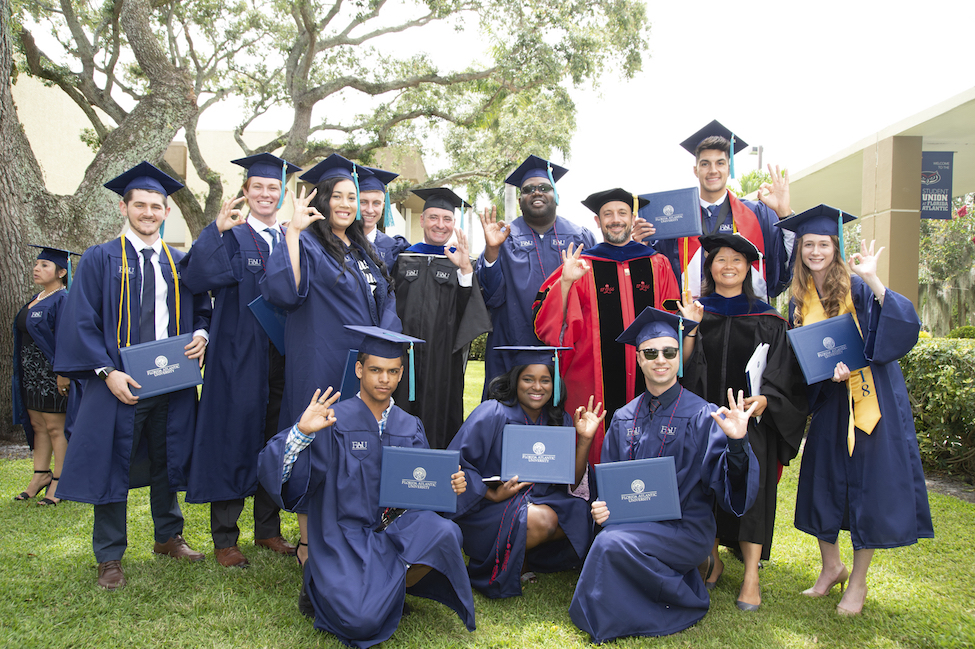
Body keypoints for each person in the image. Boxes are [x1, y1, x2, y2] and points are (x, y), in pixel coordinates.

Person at [257, 326, 476, 648]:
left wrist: (450, 484)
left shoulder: (409, 425)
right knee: (360, 623)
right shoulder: (332, 420)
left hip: (394, 528)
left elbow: (421, 487)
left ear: (401, 374)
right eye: (375, 369)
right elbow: (275, 468)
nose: (383, 379)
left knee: (445, 533)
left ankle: (388, 588)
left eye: (391, 371)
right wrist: (301, 433)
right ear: (359, 370)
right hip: (342, 535)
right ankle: (324, 587)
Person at [53, 162, 211, 589]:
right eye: (139, 205)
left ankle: (168, 536)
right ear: (124, 207)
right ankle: (109, 555)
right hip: (117, 384)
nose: (148, 212)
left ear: (166, 212)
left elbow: (202, 310)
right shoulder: (99, 259)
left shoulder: (180, 262)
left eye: (156, 206)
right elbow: (81, 321)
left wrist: (201, 334)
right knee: (111, 462)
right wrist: (107, 372)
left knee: (168, 456)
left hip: (171, 382)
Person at [777, 204, 933, 616]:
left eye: (823, 244)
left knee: (868, 486)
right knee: (823, 481)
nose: (815, 251)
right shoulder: (797, 299)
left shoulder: (858, 287)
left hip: (870, 398)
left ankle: (858, 583)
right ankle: (832, 567)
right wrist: (822, 373)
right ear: (800, 251)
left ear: (836, 247)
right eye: (808, 244)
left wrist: (874, 279)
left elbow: (900, 326)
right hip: (831, 400)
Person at [569, 307, 759, 642]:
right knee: (608, 539)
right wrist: (602, 505)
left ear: (679, 358)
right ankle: (677, 587)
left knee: (610, 544)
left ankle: (681, 599)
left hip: (685, 527)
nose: (661, 359)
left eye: (669, 352)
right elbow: (609, 487)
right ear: (639, 359)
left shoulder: (704, 415)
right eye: (651, 353)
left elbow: (732, 488)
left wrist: (737, 444)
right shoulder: (624, 417)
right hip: (632, 524)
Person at [261, 153, 402, 564]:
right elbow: (285, 293)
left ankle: (351, 529)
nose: (345, 204)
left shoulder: (361, 247)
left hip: (363, 363)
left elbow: (386, 297)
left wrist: (384, 338)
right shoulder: (305, 241)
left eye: (351, 197)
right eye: (337, 196)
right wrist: (290, 234)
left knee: (360, 445)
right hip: (322, 362)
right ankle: (308, 542)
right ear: (322, 200)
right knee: (317, 445)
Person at [180, 153, 301, 567]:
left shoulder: (290, 236)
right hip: (237, 353)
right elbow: (194, 280)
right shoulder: (229, 234)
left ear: (281, 194)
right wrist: (214, 230)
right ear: (246, 192)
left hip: (283, 354)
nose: (266, 194)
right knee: (232, 436)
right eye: (258, 187)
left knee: (276, 437)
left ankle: (268, 529)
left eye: (273, 188)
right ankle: (226, 537)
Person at [679, 232, 808, 609]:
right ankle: (713, 557)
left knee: (753, 491)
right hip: (707, 418)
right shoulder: (697, 311)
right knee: (704, 487)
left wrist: (768, 400)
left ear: (749, 268)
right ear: (710, 267)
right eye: (721, 259)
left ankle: (751, 574)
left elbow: (786, 375)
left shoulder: (769, 319)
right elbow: (680, 367)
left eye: (738, 260)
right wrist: (689, 327)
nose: (729, 266)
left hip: (753, 423)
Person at [533, 188, 680, 464]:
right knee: (594, 449)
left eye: (622, 213)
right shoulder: (582, 265)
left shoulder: (656, 264)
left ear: (632, 218)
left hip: (648, 377)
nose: (615, 219)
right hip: (592, 381)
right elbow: (548, 328)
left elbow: (671, 325)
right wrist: (565, 283)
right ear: (598, 222)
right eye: (607, 214)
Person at [446, 346, 603, 598]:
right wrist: (492, 494)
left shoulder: (557, 419)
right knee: (544, 520)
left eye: (545, 380)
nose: (537, 387)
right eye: (528, 379)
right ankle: (505, 557)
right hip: (488, 507)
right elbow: (457, 464)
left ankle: (527, 553)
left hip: (539, 499)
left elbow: (571, 481)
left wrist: (584, 440)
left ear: (555, 384)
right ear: (515, 380)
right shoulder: (493, 413)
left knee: (583, 514)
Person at [476, 155, 596, 396]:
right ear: (520, 200)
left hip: (565, 349)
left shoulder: (580, 237)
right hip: (511, 347)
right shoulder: (504, 237)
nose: (536, 193)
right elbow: (490, 295)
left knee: (563, 418)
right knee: (508, 421)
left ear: (556, 195)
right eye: (528, 189)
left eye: (544, 188)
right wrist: (492, 251)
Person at [391, 187, 492, 448]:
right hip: (403, 355)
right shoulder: (402, 258)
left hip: (443, 358)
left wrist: (466, 270)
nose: (440, 225)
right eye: (433, 217)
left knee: (440, 417)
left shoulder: (460, 262)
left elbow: (466, 311)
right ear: (422, 220)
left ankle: (437, 476)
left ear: (454, 223)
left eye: (447, 219)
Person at [653, 120, 794, 302]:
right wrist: (641, 243)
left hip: (746, 321)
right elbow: (658, 271)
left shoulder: (757, 214)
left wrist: (785, 214)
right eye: (705, 164)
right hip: (694, 322)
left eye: (720, 163)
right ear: (696, 170)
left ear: (729, 168)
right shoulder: (676, 220)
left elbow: (784, 261)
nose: (713, 170)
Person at [12, 245, 78, 506]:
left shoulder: (62, 299)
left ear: (62, 272)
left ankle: (60, 481)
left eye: (45, 265)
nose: (37, 269)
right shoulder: (37, 298)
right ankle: (40, 475)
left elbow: (66, 340)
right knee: (38, 426)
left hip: (53, 376)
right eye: (37, 264)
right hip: (31, 376)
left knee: (55, 427)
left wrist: (63, 373)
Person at [360, 165, 410, 269]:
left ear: (383, 206)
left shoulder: (394, 247)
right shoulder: (340, 241)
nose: (370, 210)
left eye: (376, 203)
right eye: (363, 202)